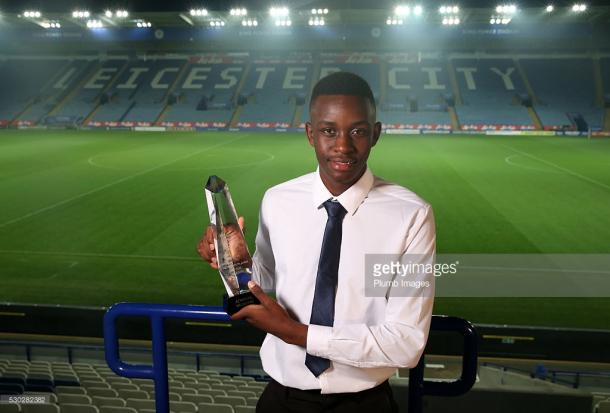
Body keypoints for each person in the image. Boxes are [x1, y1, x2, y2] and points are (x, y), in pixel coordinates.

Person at [198, 72, 435, 413]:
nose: (343, 146)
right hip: (282, 399)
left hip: (363, 405)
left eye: (358, 131)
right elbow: (258, 290)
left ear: (376, 134)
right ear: (310, 134)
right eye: (328, 131)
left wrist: (298, 334)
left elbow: (406, 343)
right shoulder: (278, 200)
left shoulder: (411, 215)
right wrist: (233, 263)